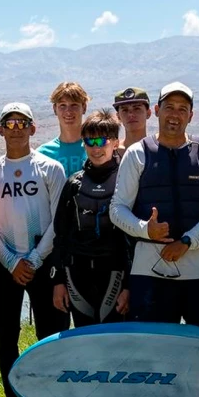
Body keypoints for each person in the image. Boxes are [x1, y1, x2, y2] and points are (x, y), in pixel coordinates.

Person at [109, 82, 199, 330]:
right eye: (169, 107)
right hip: (150, 271)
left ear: (191, 115)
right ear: (156, 110)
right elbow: (117, 209)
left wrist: (188, 241)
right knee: (153, 348)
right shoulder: (137, 153)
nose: (175, 114)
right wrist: (145, 229)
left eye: (182, 109)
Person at [0, 102, 70, 397]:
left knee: (50, 334)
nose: (16, 129)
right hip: (7, 267)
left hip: (43, 264)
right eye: (9, 124)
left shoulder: (51, 169)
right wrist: (11, 261)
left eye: (22, 123)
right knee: (8, 337)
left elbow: (58, 221)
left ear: (33, 128)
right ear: (0, 130)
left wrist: (32, 259)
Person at [52, 109, 132, 327]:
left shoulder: (127, 182)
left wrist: (128, 285)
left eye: (102, 141)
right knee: (84, 338)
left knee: (112, 338)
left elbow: (132, 239)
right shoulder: (74, 184)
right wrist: (58, 280)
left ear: (115, 142)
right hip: (77, 272)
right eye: (89, 141)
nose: (96, 148)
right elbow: (60, 235)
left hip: (114, 271)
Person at [38, 81, 90, 177]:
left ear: (84, 107)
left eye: (74, 105)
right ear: (55, 109)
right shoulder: (43, 154)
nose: (68, 112)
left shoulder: (95, 147)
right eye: (62, 105)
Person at [112, 86, 151, 154]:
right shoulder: (111, 153)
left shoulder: (159, 151)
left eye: (137, 109)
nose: (130, 114)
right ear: (118, 117)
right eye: (125, 110)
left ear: (148, 113)